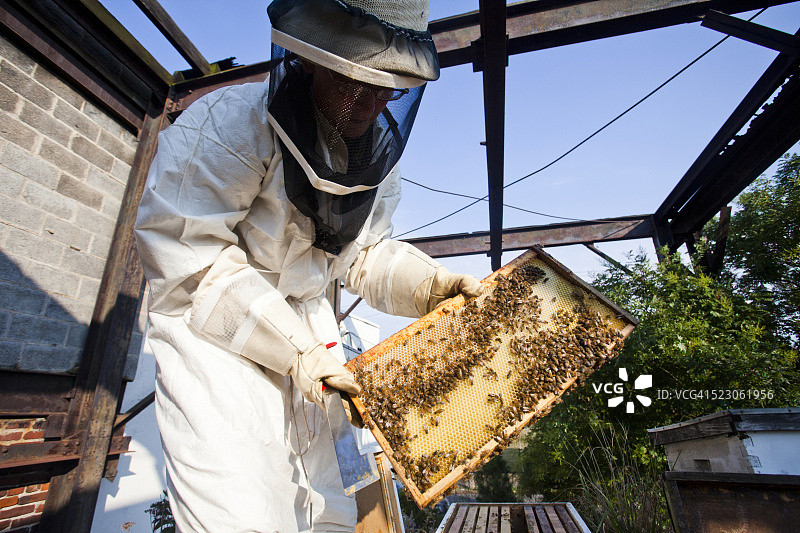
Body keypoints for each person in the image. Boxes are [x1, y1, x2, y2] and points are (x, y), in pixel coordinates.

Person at [134, 0, 483, 531]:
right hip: (216, 340)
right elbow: (191, 263)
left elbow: (361, 254)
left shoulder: (372, 161)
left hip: (314, 338)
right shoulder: (231, 124)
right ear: (313, 58)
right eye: (358, 82)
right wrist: (293, 349)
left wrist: (430, 285)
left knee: (329, 510)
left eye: (390, 87)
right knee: (241, 514)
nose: (374, 102)